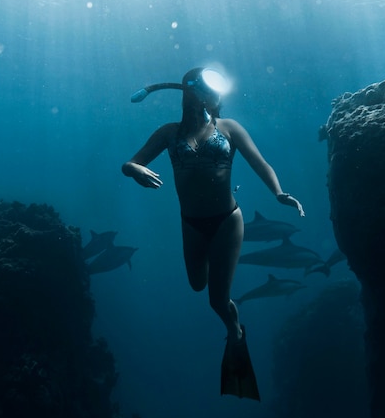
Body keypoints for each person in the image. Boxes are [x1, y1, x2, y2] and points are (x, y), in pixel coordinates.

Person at [122, 67, 304, 400]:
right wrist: (135, 169)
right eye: (207, 89)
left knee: (216, 299)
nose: (215, 96)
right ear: (190, 92)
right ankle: (229, 316)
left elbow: (260, 163)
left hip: (227, 220)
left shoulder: (230, 128)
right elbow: (130, 162)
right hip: (190, 223)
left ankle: (235, 333)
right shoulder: (167, 133)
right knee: (197, 285)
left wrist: (278, 193)